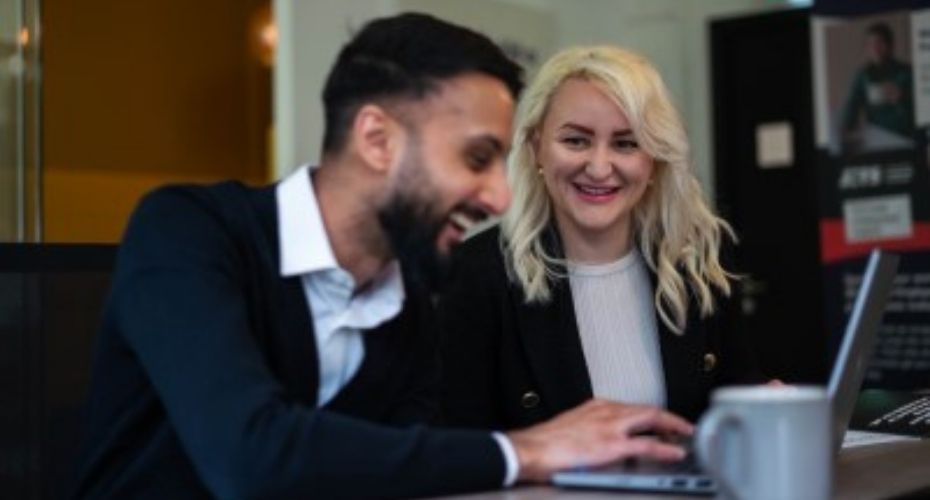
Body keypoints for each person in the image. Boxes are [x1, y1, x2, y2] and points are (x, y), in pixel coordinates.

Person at [72, 16, 694, 500]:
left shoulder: (411, 300)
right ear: (376, 140)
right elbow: (251, 457)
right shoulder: (187, 232)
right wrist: (523, 450)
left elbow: (409, 470)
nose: (499, 197)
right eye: (476, 159)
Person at [439, 45, 766, 432]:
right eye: (576, 141)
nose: (599, 167)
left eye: (626, 144)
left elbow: (733, 403)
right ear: (535, 148)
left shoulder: (696, 258)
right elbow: (459, 447)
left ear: (654, 161)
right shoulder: (476, 275)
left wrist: (761, 409)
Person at [841, 22, 914, 152]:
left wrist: (901, 98)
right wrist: (846, 130)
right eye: (870, 44)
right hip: (876, 137)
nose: (875, 48)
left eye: (879, 43)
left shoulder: (906, 73)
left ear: (890, 45)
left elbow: (918, 113)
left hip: (904, 136)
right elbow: (852, 105)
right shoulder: (863, 76)